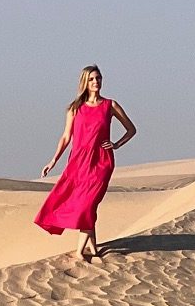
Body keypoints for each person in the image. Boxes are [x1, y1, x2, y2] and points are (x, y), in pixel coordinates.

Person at [36, 65, 136, 262]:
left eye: (98, 78)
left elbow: (131, 129)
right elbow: (66, 137)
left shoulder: (110, 105)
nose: (96, 82)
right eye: (91, 79)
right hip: (78, 163)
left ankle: (80, 252)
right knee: (83, 205)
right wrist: (53, 160)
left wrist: (116, 144)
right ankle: (94, 247)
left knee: (88, 205)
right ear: (85, 82)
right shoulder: (75, 108)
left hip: (101, 162)